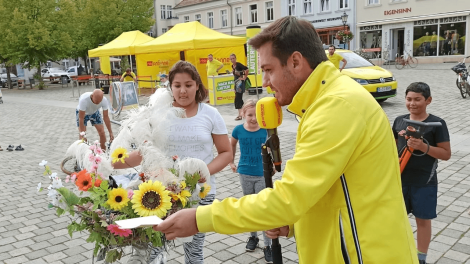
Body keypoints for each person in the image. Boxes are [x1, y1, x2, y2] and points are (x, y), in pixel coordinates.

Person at [153, 16, 418, 264]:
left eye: (268, 70)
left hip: (363, 253)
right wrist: (293, 223)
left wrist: (200, 218)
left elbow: (289, 197)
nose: (266, 82)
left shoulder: (337, 107)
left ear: (295, 61)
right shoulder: (323, 102)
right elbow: (327, 189)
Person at [113, 61, 232, 264]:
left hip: (200, 193)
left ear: (197, 86)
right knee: (155, 250)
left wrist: (204, 171)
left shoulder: (210, 114)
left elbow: (226, 152)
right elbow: (146, 152)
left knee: (194, 252)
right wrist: (112, 163)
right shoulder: (159, 114)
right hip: (159, 194)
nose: (183, 91)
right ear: (170, 87)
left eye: (188, 85)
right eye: (177, 85)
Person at [392, 82, 451, 264]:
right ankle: (398, 251)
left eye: (418, 99)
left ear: (428, 100)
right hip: (399, 180)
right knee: (396, 219)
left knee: (423, 220)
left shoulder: (437, 124)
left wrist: (424, 147)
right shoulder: (399, 121)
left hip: (424, 181)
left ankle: (421, 257)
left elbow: (446, 154)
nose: (412, 103)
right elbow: (392, 148)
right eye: (409, 99)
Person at [228, 99, 272, 263]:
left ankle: (268, 245)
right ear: (242, 114)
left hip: (262, 174)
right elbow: (231, 145)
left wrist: (274, 165)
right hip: (244, 173)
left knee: (262, 208)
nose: (253, 118)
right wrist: (231, 161)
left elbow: (273, 148)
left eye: (256, 115)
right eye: (249, 114)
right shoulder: (238, 130)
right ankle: (253, 237)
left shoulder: (266, 130)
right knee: (249, 206)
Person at [230, 53, 249, 121]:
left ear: (235, 58)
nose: (232, 60)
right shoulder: (233, 66)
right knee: (239, 98)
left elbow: (246, 69)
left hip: (240, 83)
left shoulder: (238, 64)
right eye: (231, 59)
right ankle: (243, 112)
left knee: (238, 98)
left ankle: (240, 115)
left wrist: (244, 77)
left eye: (233, 58)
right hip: (236, 83)